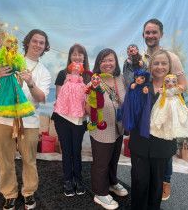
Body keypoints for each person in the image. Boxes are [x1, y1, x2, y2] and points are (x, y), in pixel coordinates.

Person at [0, 29, 51, 210]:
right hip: (1, 120)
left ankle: (28, 192)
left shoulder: (44, 72)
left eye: (42, 42)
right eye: (35, 41)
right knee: (4, 160)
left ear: (45, 47)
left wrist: (31, 83)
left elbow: (41, 98)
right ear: (28, 42)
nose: (38, 45)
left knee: (29, 160)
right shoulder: (7, 58)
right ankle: (9, 194)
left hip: (29, 122)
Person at [142, 18, 188, 200]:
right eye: (148, 32)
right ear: (143, 35)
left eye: (154, 32)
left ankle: (165, 182)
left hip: (166, 107)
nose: (151, 35)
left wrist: (170, 93)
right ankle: (152, 181)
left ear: (161, 34)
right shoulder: (141, 58)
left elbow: (183, 83)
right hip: (148, 108)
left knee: (166, 145)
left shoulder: (171, 58)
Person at [129, 50, 177, 210]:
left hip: (162, 146)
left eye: (164, 63)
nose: (160, 66)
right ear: (150, 66)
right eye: (156, 63)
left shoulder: (175, 91)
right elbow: (132, 111)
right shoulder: (141, 86)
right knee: (139, 182)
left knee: (157, 185)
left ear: (170, 66)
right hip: (140, 144)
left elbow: (178, 118)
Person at [88, 48, 128, 210]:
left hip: (118, 126)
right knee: (101, 163)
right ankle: (100, 193)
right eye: (103, 61)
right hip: (102, 129)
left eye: (110, 60)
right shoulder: (94, 82)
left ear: (116, 62)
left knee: (113, 159)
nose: (107, 64)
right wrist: (93, 96)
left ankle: (112, 183)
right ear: (98, 63)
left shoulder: (120, 78)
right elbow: (87, 109)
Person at [51, 44, 90, 197]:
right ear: (70, 56)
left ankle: (78, 179)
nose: (77, 57)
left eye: (80, 54)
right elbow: (58, 97)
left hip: (79, 119)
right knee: (66, 151)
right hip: (63, 118)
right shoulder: (62, 74)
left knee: (77, 150)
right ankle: (68, 180)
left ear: (84, 57)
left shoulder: (88, 76)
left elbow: (90, 100)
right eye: (74, 54)